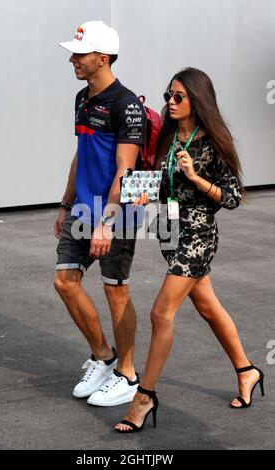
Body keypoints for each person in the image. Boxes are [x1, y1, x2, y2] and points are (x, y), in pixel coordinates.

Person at [115, 67, 265, 432]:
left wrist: (197, 176)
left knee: (160, 313)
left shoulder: (212, 142)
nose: (171, 102)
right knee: (208, 307)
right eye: (168, 95)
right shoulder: (167, 137)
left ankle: (145, 396)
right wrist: (145, 193)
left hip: (197, 234)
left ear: (197, 101)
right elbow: (161, 181)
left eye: (178, 97)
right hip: (167, 228)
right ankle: (248, 371)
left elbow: (231, 197)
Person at [54, 20, 146, 407]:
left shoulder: (126, 105)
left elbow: (125, 172)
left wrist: (106, 225)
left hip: (115, 214)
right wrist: (65, 201)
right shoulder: (82, 98)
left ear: (102, 58)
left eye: (81, 54)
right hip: (80, 208)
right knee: (65, 282)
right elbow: (82, 152)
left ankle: (128, 374)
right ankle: (104, 357)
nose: (73, 60)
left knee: (115, 291)